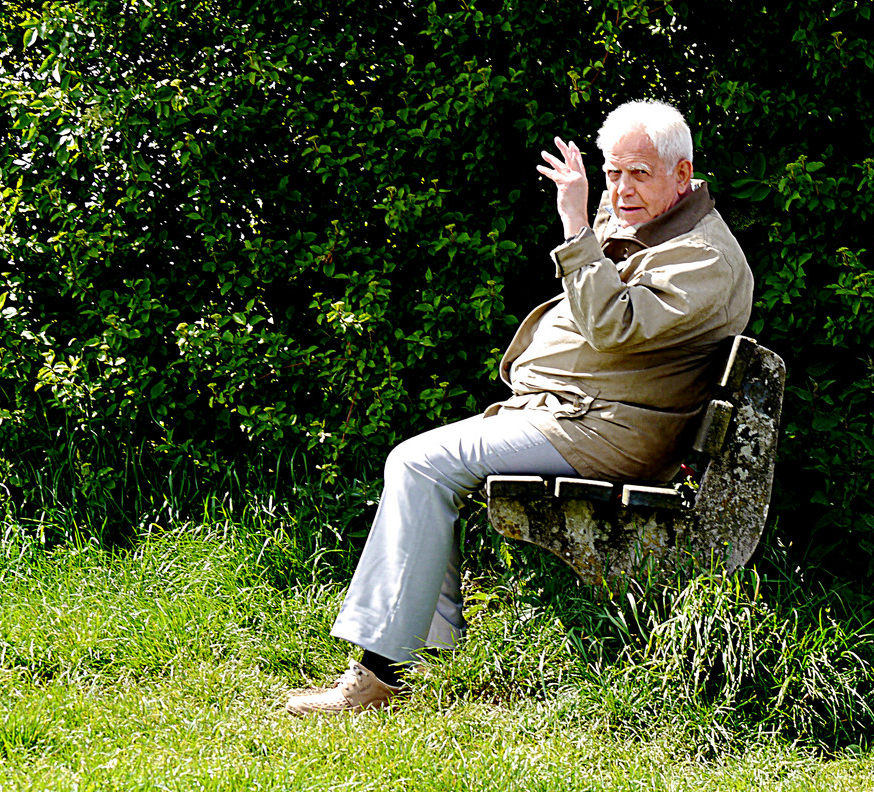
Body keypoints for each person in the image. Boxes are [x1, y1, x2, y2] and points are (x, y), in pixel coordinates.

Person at [284, 99, 753, 714]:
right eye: (612, 172)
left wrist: (575, 229)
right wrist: (593, 222)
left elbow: (613, 328)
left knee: (418, 465)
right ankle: (414, 654)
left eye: (638, 173)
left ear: (683, 174)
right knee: (426, 468)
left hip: (605, 429)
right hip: (572, 413)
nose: (621, 188)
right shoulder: (648, 225)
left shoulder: (703, 259)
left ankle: (377, 675)